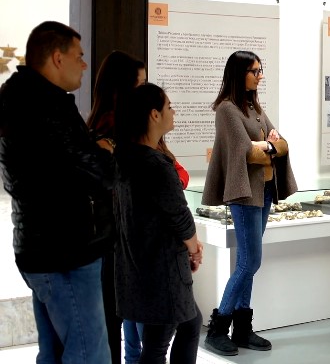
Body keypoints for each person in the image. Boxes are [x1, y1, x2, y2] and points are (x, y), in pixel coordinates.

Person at [0, 21, 113, 363]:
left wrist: (97, 150)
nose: (84, 64)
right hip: (65, 251)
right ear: (56, 57)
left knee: (55, 350)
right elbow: (92, 169)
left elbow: (72, 161)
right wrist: (105, 153)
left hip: (46, 246)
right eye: (78, 56)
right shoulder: (43, 107)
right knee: (88, 351)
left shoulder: (27, 99)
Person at [87, 51, 190, 364]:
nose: (146, 90)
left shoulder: (118, 136)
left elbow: (177, 174)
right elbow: (169, 180)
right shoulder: (115, 137)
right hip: (127, 242)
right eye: (140, 83)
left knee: (141, 329)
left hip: (126, 241)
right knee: (144, 332)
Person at [202, 51, 297, 356]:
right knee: (249, 262)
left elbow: (282, 143)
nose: (260, 76)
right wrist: (266, 146)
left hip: (264, 191)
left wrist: (268, 144)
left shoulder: (254, 107)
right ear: (239, 73)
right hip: (244, 193)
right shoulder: (227, 110)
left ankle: (242, 328)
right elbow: (246, 153)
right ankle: (218, 328)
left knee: (249, 262)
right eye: (255, 71)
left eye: (260, 70)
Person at [113, 84, 203, 364]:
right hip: (162, 268)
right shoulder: (156, 164)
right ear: (154, 115)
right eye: (169, 107)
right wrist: (194, 247)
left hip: (136, 264)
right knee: (162, 341)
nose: (173, 112)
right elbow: (179, 215)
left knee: (184, 325)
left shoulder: (123, 157)